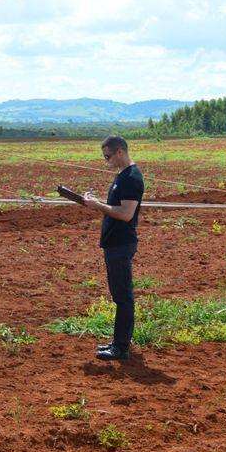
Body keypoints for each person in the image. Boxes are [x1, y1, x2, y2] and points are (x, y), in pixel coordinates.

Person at [82, 136, 144, 361]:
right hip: (114, 244)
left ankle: (121, 347)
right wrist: (96, 202)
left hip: (121, 244)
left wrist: (97, 205)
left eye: (107, 156)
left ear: (120, 152)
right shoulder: (122, 177)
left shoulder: (132, 178)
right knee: (119, 295)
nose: (106, 160)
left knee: (123, 296)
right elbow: (116, 207)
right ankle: (119, 341)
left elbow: (126, 214)